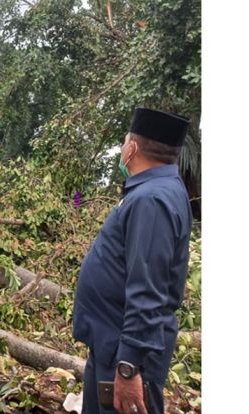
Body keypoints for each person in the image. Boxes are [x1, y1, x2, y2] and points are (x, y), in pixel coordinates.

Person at [73, 108, 193, 414]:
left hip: (124, 356)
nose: (122, 148)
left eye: (124, 141)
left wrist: (128, 366)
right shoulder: (155, 191)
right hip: (111, 345)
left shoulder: (151, 200)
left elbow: (148, 289)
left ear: (132, 148)